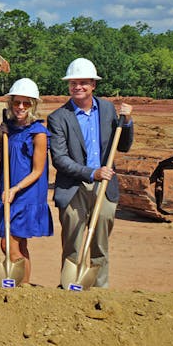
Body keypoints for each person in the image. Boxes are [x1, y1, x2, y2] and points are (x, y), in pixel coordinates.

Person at [48, 58, 133, 288]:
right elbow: (60, 159)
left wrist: (126, 122)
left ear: (93, 84)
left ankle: (99, 291)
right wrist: (92, 173)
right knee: (72, 245)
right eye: (74, 83)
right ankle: (69, 288)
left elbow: (122, 145)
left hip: (104, 187)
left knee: (100, 245)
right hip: (73, 187)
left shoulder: (106, 109)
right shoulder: (58, 117)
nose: (78, 87)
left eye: (83, 82)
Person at [0, 78, 53, 285]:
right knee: (20, 245)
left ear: (34, 104)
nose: (21, 107)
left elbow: (38, 171)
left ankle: (19, 287)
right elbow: (2, 156)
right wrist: (2, 135)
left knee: (9, 244)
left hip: (26, 194)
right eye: (17, 102)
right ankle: (24, 286)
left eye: (26, 103)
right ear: (11, 103)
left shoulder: (38, 132)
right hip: (8, 190)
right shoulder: (9, 128)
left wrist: (16, 189)